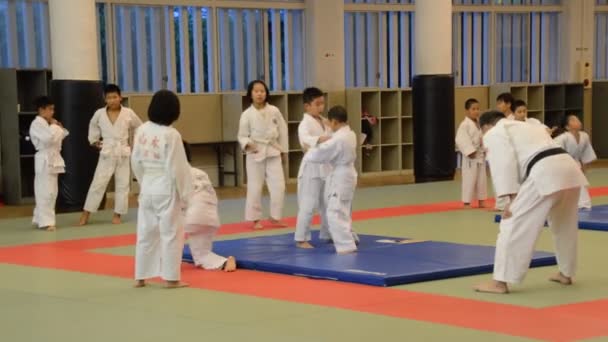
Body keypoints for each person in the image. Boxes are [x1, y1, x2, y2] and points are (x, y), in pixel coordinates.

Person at [474, 111, 588, 294]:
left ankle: (500, 282)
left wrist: (510, 199)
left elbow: (502, 162)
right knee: (565, 224)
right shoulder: (528, 125)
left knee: (512, 223)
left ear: (486, 126)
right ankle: (566, 273)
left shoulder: (495, 132)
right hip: (568, 167)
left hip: (545, 169)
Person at [131, 90, 192, 289]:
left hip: (147, 185)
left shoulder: (142, 130)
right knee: (171, 232)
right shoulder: (171, 134)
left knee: (145, 232)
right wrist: (186, 196)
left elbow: (135, 161)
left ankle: (140, 276)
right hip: (166, 187)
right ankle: (172, 278)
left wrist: (142, 182)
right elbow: (179, 168)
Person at [78, 84, 142, 226]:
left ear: (120, 97)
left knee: (123, 184)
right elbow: (93, 126)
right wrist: (95, 141)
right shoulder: (99, 113)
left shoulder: (128, 112)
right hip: (107, 150)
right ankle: (86, 213)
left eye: (114, 97)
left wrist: (134, 143)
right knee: (98, 183)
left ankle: (117, 214)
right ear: (104, 99)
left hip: (122, 151)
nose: (112, 100)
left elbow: (139, 126)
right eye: (109, 98)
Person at [302, 106, 358, 254]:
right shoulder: (350, 133)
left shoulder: (339, 139)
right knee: (343, 210)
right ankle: (349, 240)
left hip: (342, 175)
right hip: (347, 173)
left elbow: (321, 153)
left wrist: (308, 151)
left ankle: (346, 245)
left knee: (335, 212)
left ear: (333, 121)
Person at [237, 80, 288, 230]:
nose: (260, 94)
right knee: (255, 187)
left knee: (279, 186)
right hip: (255, 152)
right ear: (250, 94)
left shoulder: (274, 110)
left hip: (273, 150)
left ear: (266, 93)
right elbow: (241, 135)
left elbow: (283, 131)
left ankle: (275, 217)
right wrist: (248, 143)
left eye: (262, 91)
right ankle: (255, 219)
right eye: (256, 91)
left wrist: (284, 150)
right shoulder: (246, 114)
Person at [182, 141, 236, 272]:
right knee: (202, 256)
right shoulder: (200, 172)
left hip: (191, 216)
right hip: (211, 218)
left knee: (164, 232)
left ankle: (164, 260)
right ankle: (224, 262)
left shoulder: (174, 174)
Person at [294, 87, 333, 248]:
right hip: (311, 168)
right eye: (317, 104)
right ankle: (301, 238)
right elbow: (305, 141)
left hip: (326, 167)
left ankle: (328, 233)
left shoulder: (324, 121)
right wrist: (323, 138)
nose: (321, 107)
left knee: (328, 203)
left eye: (322, 103)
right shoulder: (304, 124)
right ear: (307, 106)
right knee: (308, 204)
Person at [29, 96, 69, 231]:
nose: (52, 112)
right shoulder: (37, 123)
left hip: (53, 158)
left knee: (52, 191)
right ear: (41, 110)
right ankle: (46, 222)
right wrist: (55, 127)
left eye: (53, 109)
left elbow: (62, 135)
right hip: (44, 158)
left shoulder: (48, 124)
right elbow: (48, 139)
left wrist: (56, 127)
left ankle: (39, 218)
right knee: (45, 191)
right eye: (50, 109)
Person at [553, 114, 597, 209]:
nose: (578, 121)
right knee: (565, 188)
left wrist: (584, 171)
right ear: (567, 127)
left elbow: (586, 156)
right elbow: (555, 154)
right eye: (573, 120)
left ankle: (583, 204)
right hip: (563, 165)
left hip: (576, 165)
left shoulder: (584, 136)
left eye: (577, 119)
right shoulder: (562, 138)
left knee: (580, 185)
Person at [455, 98, 487, 209]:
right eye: (473, 109)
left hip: (480, 155)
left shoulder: (479, 124)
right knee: (469, 179)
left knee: (481, 179)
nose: (476, 111)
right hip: (471, 156)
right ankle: (467, 202)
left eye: (478, 109)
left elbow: (483, 137)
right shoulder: (464, 125)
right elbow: (461, 139)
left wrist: (485, 147)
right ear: (467, 111)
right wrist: (470, 151)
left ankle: (481, 201)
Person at [493, 92, 513, 211]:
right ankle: (501, 204)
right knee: (501, 178)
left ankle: (505, 204)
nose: (498, 106)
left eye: (501, 103)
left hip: (509, 152)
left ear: (509, 104)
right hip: (501, 152)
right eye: (498, 104)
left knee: (507, 179)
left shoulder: (512, 119)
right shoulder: (500, 120)